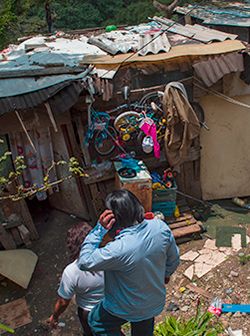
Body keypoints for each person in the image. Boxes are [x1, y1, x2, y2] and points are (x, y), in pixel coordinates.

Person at [78, 189, 180, 336]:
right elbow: (174, 259)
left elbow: (84, 262)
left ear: (113, 219)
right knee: (143, 325)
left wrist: (98, 230)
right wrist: (166, 274)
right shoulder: (160, 227)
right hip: (153, 302)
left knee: (97, 321)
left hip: (124, 307)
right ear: (137, 207)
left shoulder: (118, 249)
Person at [47, 222, 104, 336]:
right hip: (113, 304)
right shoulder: (108, 256)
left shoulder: (71, 272)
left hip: (89, 311)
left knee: (91, 333)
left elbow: (63, 302)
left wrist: (55, 316)